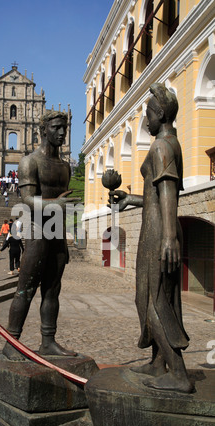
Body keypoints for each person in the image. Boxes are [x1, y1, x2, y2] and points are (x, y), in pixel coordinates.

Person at [114, 83, 193, 393]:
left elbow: (168, 190)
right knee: (162, 298)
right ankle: (158, 363)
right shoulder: (171, 143)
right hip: (161, 227)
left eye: (147, 114)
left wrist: (169, 237)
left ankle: (178, 373)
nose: (145, 120)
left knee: (151, 301)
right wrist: (130, 199)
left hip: (160, 232)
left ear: (160, 114)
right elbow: (157, 194)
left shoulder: (161, 146)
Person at [2, 110, 80, 360]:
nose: (61, 133)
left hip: (56, 230)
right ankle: (11, 342)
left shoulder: (65, 166)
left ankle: (49, 341)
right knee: (25, 289)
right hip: (37, 230)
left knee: (52, 290)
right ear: (43, 130)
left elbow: (64, 203)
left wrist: (64, 236)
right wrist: (56, 205)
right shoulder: (30, 162)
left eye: (64, 128)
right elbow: (26, 200)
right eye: (56, 128)